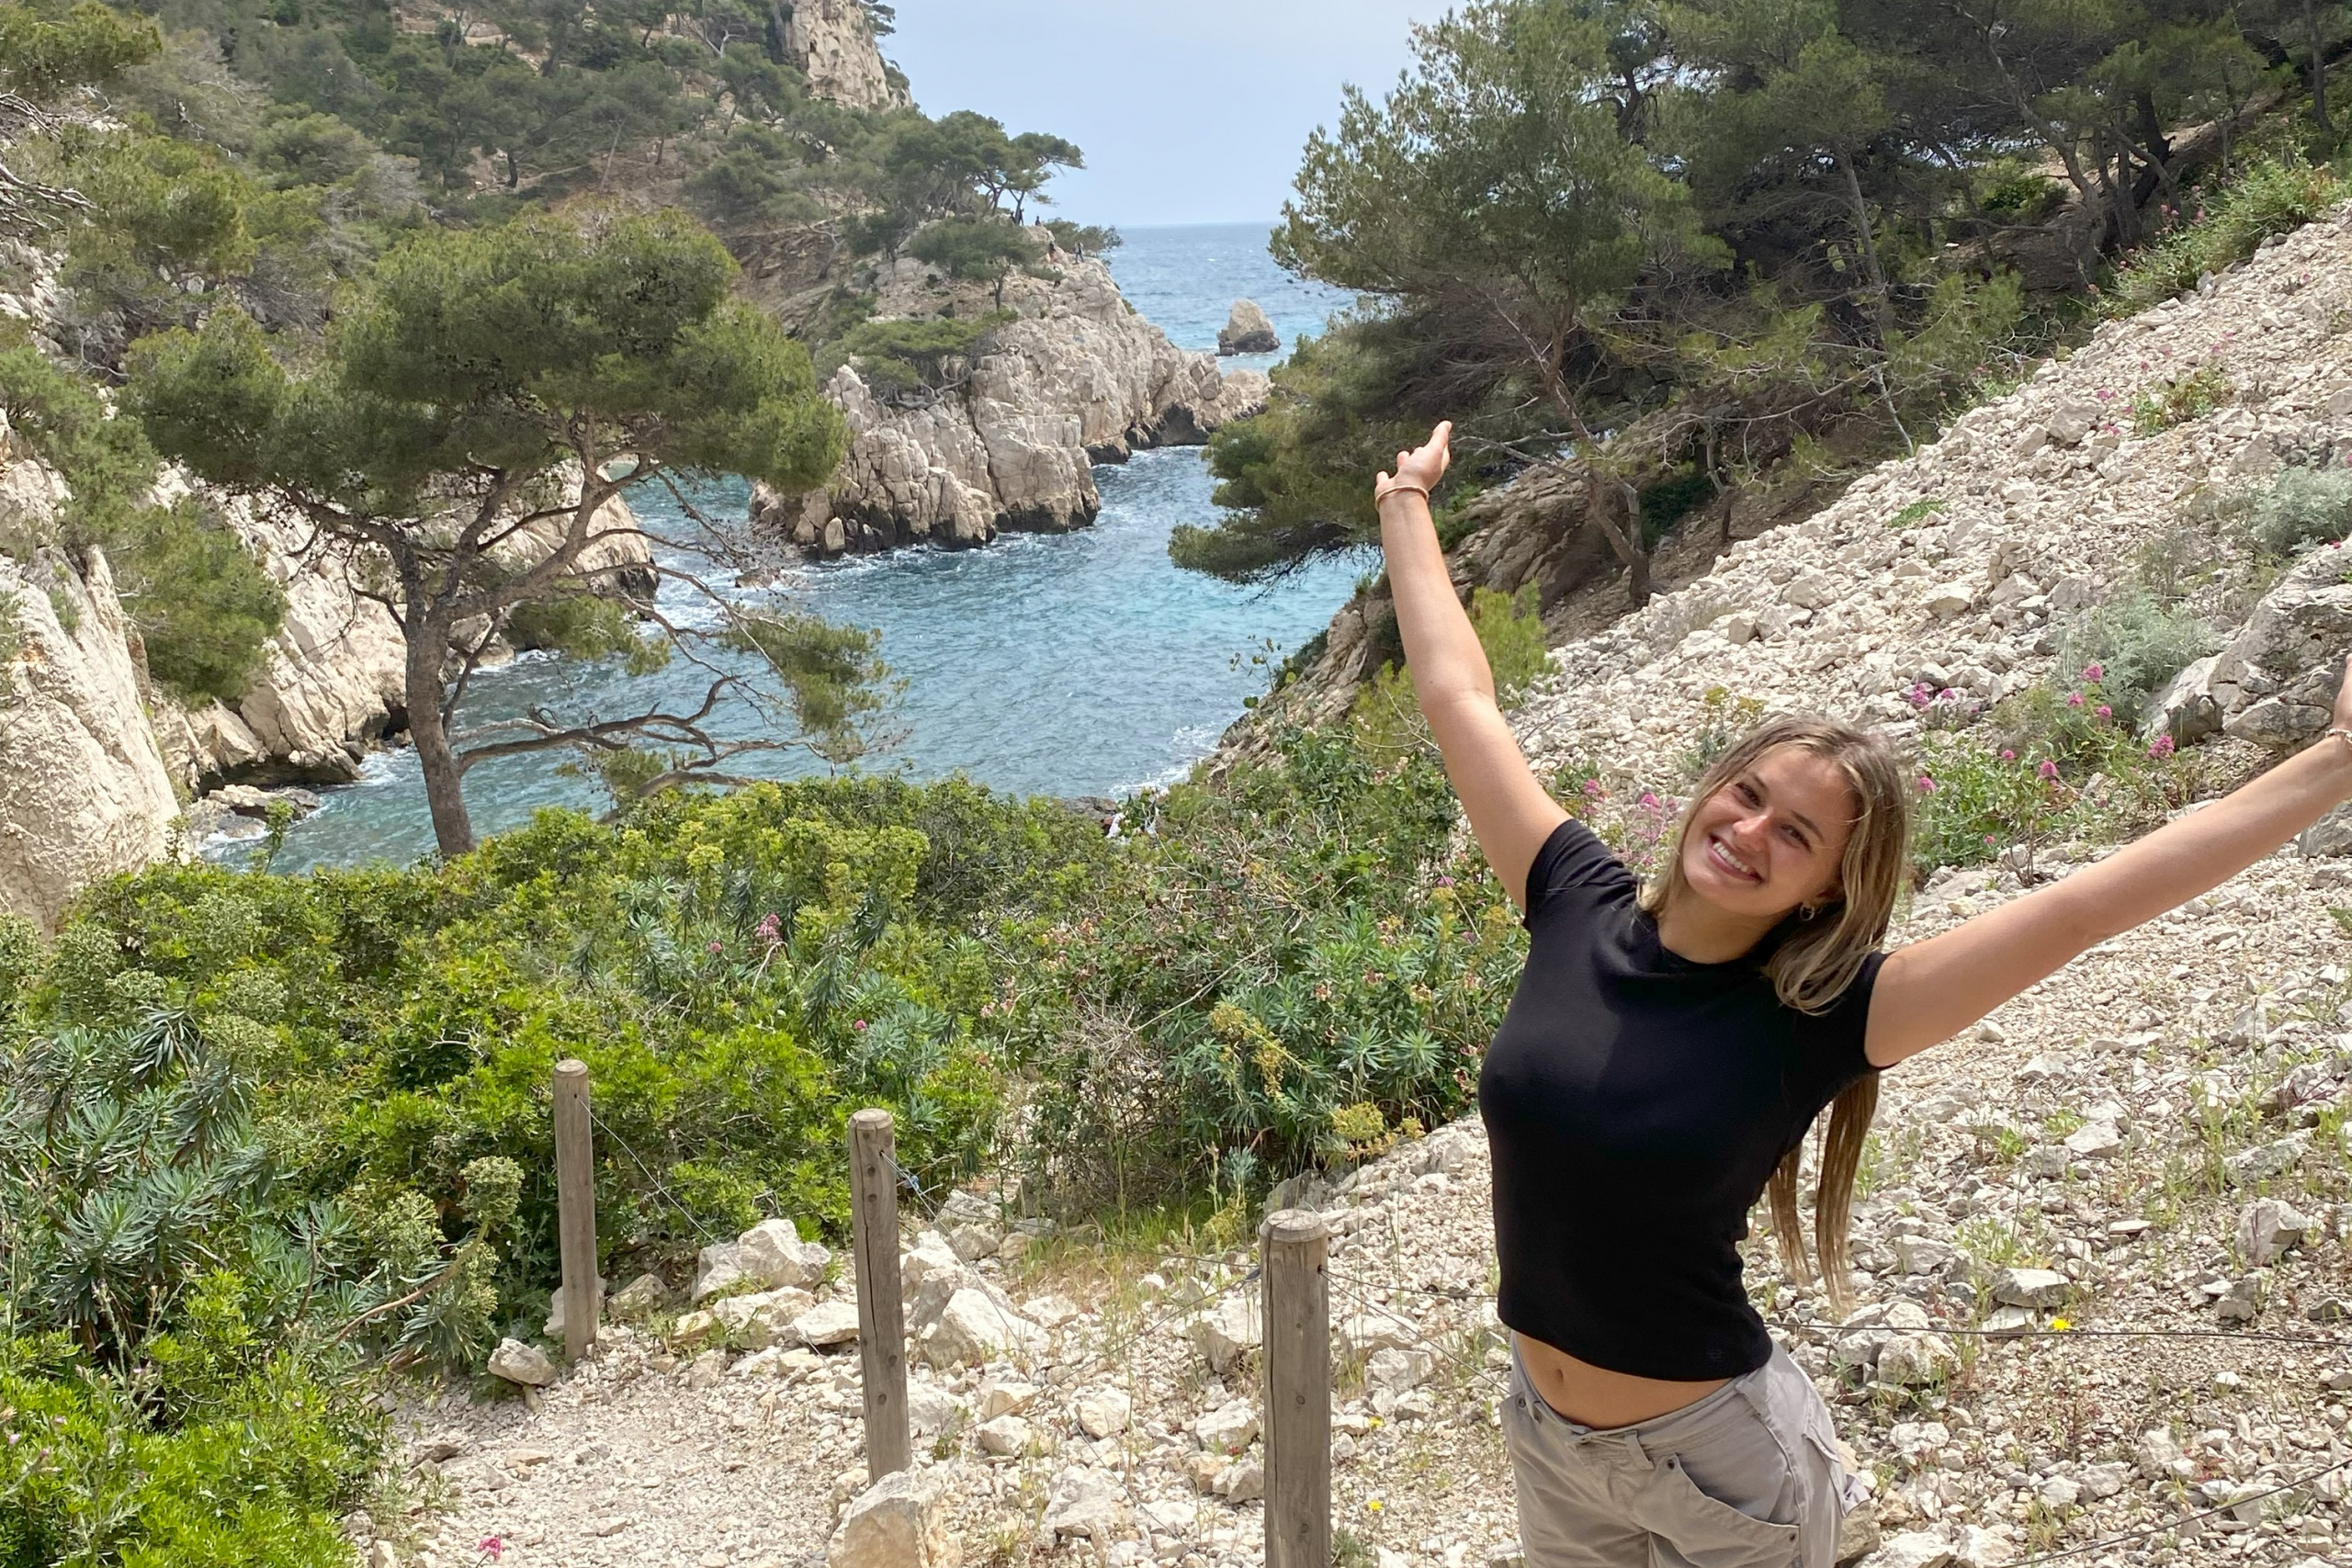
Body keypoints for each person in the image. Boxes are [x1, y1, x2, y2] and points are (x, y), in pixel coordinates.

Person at [1373, 421, 2352, 1568]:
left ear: (1828, 888)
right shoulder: (1572, 895)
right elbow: (1460, 699)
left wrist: (2333, 761)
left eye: (1794, 835)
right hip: (1549, 1447)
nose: (1747, 834)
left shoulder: (1825, 1015)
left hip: (1720, 1467)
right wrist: (1404, 503)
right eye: (1742, 796)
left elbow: (2091, 904)